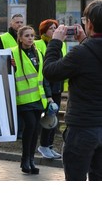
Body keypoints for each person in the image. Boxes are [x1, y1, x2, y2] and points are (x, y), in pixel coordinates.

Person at [43, 0, 102, 181]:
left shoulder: (80, 54)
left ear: (89, 23)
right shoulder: (85, 51)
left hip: (83, 128)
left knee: (75, 180)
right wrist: (84, 40)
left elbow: (50, 72)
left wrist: (55, 43)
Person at [11, 25, 51, 175]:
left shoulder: (39, 53)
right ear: (20, 38)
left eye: (32, 35)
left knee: (35, 130)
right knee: (31, 125)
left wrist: (49, 97)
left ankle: (31, 160)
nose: (30, 38)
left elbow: (44, 77)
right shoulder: (13, 53)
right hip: (23, 98)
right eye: (26, 35)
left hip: (38, 99)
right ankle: (25, 159)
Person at [34, 19, 64, 159]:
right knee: (48, 116)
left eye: (55, 28)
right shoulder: (38, 44)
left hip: (57, 86)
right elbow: (42, 68)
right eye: (51, 28)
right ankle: (44, 145)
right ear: (44, 30)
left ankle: (49, 146)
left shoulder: (61, 44)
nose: (54, 30)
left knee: (54, 117)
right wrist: (48, 93)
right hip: (45, 87)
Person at [0, 13, 25, 139]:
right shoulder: (3, 38)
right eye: (17, 22)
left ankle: (21, 130)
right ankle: (15, 130)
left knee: (22, 105)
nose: (19, 24)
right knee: (11, 105)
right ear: (11, 23)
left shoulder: (26, 36)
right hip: (9, 76)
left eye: (21, 22)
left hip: (23, 76)